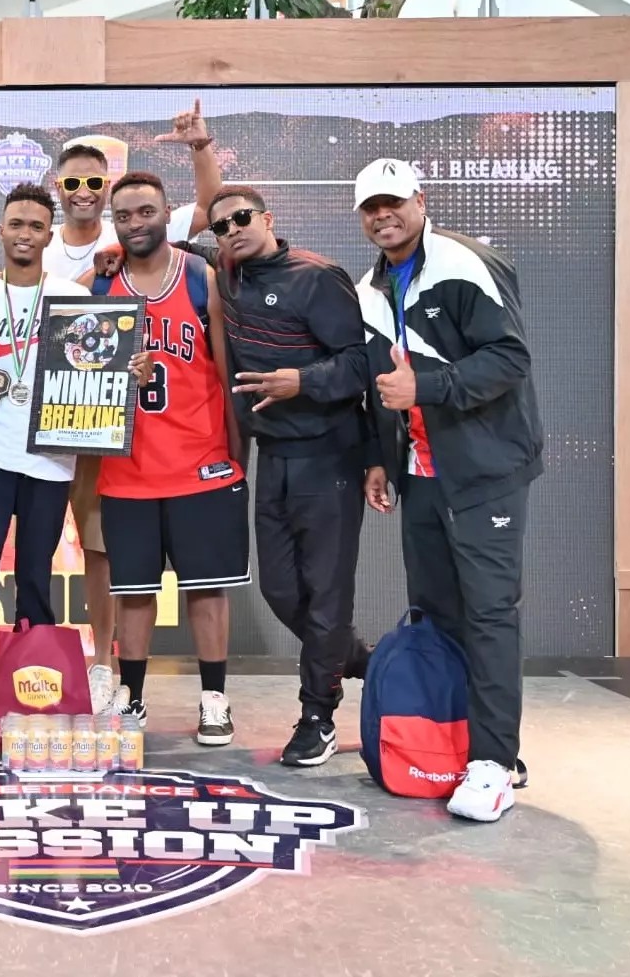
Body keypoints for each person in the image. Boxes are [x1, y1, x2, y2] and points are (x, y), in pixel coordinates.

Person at [0, 101, 222, 713]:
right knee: (44, 564)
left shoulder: (125, 233)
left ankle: (104, 664)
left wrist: (199, 147)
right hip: (26, 435)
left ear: (108, 187)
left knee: (100, 548)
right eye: (72, 182)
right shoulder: (37, 256)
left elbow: (210, 209)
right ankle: (18, 690)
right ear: (57, 189)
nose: (83, 191)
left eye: (94, 182)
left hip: (97, 425)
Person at [353, 158, 543, 822]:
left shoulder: (465, 263)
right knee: (436, 612)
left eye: (394, 202)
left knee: (489, 613)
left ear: (420, 200)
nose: (383, 215)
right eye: (371, 206)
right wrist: (380, 460)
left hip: (484, 471)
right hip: (420, 476)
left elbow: (510, 358)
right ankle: (454, 741)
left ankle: (493, 762)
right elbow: (380, 384)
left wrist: (427, 387)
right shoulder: (369, 289)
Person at [0, 183, 153, 761]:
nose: (25, 234)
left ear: (48, 233)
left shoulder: (71, 296)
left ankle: (37, 707)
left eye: (36, 225)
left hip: (51, 462)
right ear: (1, 229)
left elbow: (101, 363)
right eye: (16, 224)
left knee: (35, 583)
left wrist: (130, 370)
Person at [185, 185, 374, 767]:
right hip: (274, 456)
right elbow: (164, 240)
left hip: (329, 453)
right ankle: (357, 660)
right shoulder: (227, 271)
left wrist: (303, 381)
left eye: (242, 218)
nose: (232, 230)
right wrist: (109, 253)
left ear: (267, 219)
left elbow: (361, 362)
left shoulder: (317, 276)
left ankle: (317, 715)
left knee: (325, 594)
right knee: (280, 589)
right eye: (221, 226)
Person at [81, 171, 250, 746]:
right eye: (124, 215)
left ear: (166, 212)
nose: (135, 223)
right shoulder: (99, 284)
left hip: (200, 461)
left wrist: (236, 452)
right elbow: (51, 328)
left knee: (207, 588)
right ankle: (131, 696)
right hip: (127, 468)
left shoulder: (200, 276)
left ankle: (214, 698)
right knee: (133, 592)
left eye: (146, 212)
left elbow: (225, 369)